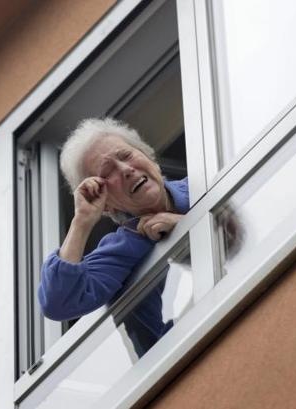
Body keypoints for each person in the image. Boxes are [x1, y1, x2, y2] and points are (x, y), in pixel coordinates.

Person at [38, 117, 189, 355]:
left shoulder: (202, 182)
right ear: (106, 205)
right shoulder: (124, 247)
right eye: (107, 172)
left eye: (126, 156)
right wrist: (82, 221)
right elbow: (59, 301)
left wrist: (186, 225)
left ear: (149, 157)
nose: (126, 170)